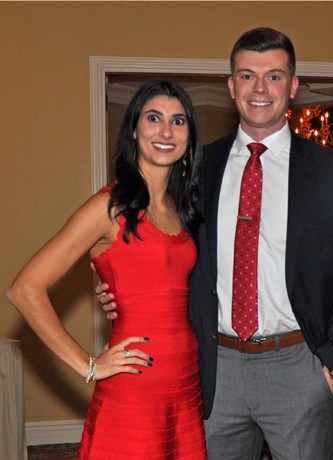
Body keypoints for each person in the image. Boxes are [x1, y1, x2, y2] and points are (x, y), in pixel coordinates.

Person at [100, 28, 333, 460]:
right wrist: (118, 286)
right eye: (247, 76)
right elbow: (159, 246)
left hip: (298, 365)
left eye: (274, 76)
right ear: (231, 86)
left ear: (294, 86)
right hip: (214, 369)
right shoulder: (192, 168)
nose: (260, 89)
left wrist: (330, 362)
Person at [7, 80, 207, 458]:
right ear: (134, 131)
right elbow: (25, 288)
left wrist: (107, 279)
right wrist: (89, 366)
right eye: (154, 118)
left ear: (189, 139)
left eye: (178, 121)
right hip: (133, 388)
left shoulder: (180, 210)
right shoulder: (109, 207)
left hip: (183, 384)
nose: (166, 131)